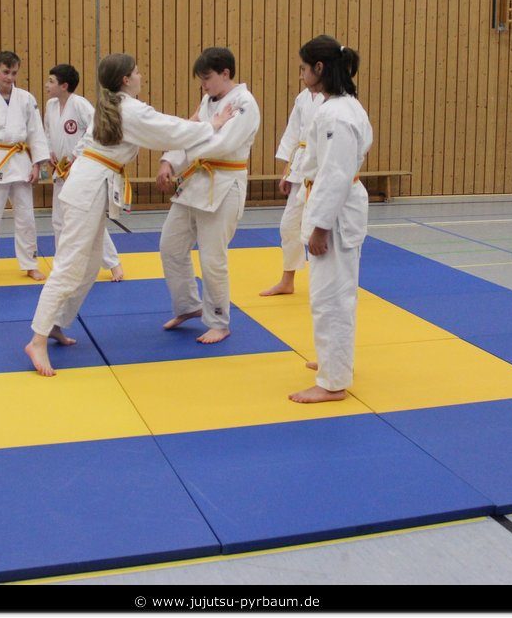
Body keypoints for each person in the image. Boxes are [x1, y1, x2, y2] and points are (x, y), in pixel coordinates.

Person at [26, 53, 237, 376]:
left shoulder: (115, 106)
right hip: (87, 187)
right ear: (125, 79)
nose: (141, 76)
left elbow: (167, 126)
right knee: (69, 265)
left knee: (90, 264)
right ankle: (37, 340)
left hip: (88, 183)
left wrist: (197, 121)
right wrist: (213, 124)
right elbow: (169, 131)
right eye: (137, 72)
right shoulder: (128, 109)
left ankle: (55, 323)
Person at [287, 36, 373, 404]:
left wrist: (320, 227)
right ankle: (332, 361)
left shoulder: (337, 115)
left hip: (335, 216)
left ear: (319, 69)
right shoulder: (340, 106)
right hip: (334, 206)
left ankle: (333, 382)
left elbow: (335, 174)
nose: (302, 75)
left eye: (304, 68)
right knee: (332, 294)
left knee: (331, 298)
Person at [156, 47, 260, 344]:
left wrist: (201, 134)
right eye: (201, 80)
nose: (203, 85)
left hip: (224, 184)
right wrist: (168, 160)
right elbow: (189, 130)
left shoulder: (244, 103)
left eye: (207, 78)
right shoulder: (208, 101)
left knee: (213, 258)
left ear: (225, 73)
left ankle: (219, 321)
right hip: (195, 182)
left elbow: (222, 144)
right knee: (170, 246)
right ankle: (188, 305)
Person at [0, 51, 51, 284]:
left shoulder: (26, 98)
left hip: (21, 162)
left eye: (14, 73)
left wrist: (37, 165)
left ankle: (30, 264)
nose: (10, 77)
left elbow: (36, 132)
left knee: (26, 217)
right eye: (6, 72)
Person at [42, 63, 125, 282]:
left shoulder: (79, 104)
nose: (47, 85)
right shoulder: (51, 105)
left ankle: (113, 263)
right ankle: (62, 267)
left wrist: (74, 155)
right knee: (58, 221)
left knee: (89, 220)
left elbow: (95, 129)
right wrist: (50, 152)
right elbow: (47, 132)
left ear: (64, 85)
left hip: (79, 169)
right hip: (60, 170)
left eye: (51, 81)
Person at [259, 84, 323, 297]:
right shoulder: (303, 97)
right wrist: (287, 171)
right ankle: (287, 281)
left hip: (322, 168)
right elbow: (293, 135)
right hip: (300, 165)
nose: (302, 75)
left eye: (305, 69)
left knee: (315, 229)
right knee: (288, 226)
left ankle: (322, 283)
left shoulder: (336, 97)